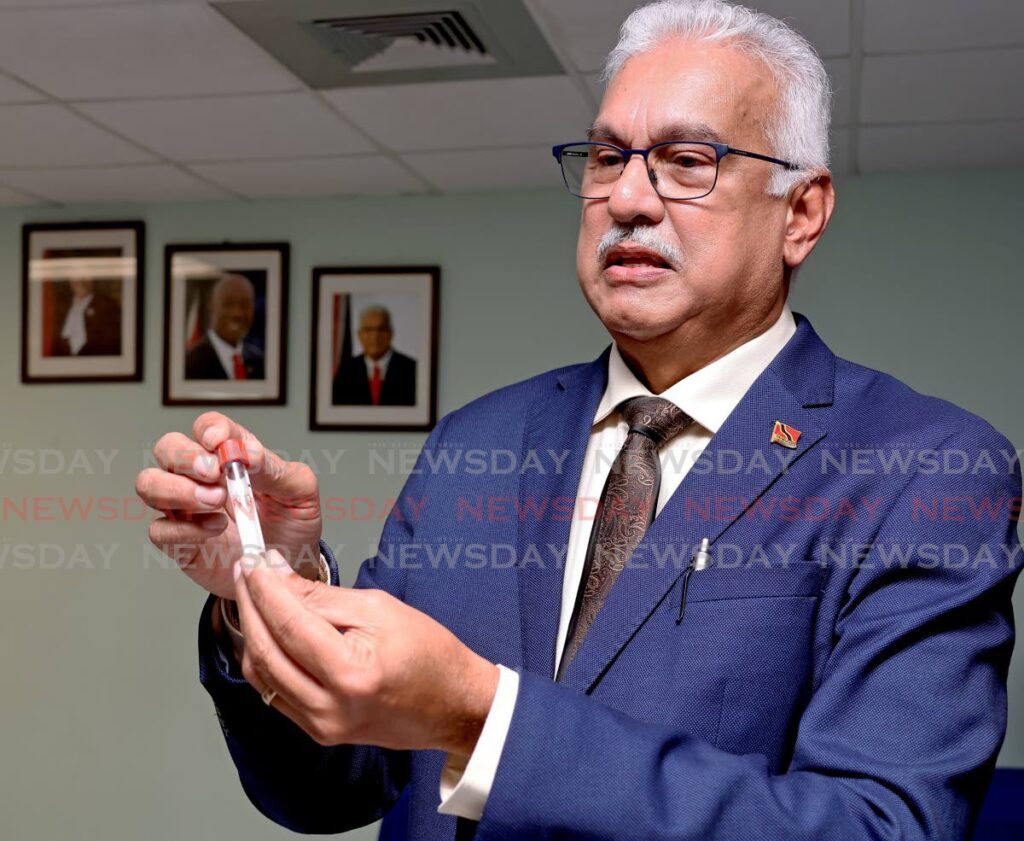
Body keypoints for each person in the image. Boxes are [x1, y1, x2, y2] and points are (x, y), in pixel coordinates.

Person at [136, 1, 1022, 838]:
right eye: (606, 159)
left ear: (802, 213)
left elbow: (878, 825)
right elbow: (332, 783)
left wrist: (485, 715)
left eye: (687, 160)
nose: (628, 200)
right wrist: (271, 580)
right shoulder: (474, 444)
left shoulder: (929, 470)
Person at [332, 304, 417, 406]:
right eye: (368, 329)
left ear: (391, 333)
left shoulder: (411, 369)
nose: (375, 336)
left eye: (381, 329)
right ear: (359, 334)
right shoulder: (345, 371)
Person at [184, 273, 264, 380]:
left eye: (245, 304)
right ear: (211, 306)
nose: (238, 313)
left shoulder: (260, 361)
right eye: (229, 304)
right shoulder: (189, 363)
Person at [50, 277, 121, 357]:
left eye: (86, 275)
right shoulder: (60, 305)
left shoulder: (108, 306)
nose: (81, 281)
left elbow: (111, 348)